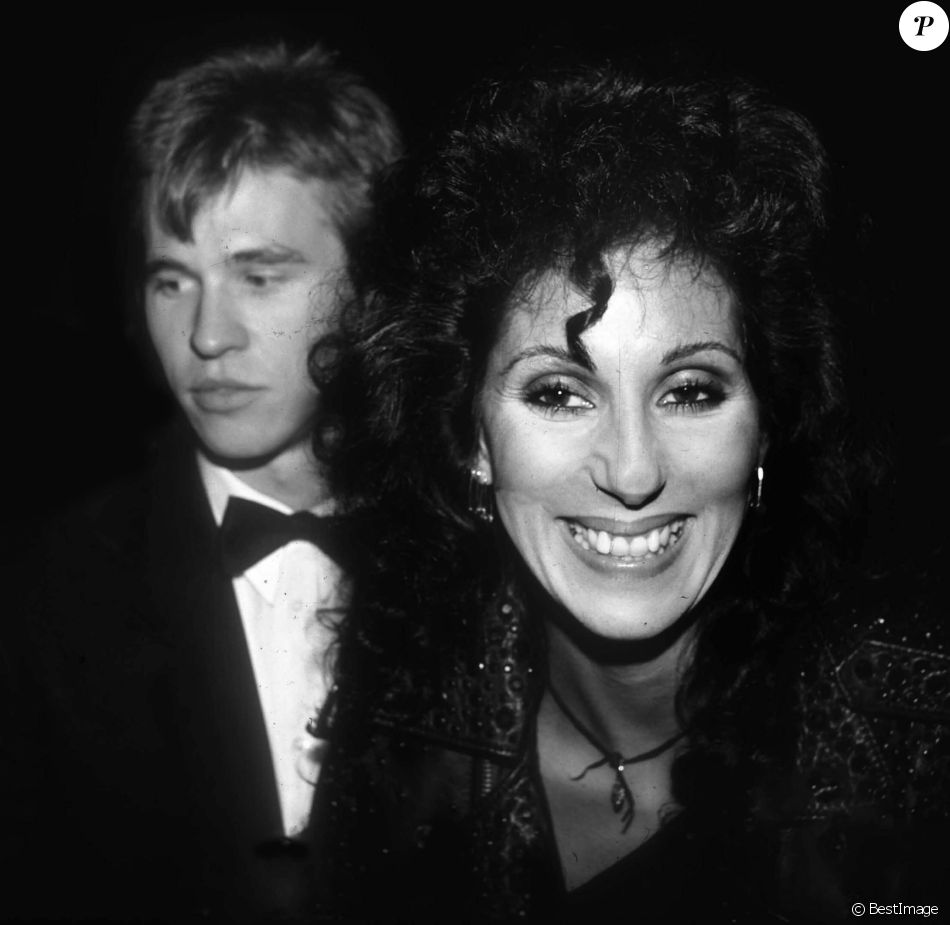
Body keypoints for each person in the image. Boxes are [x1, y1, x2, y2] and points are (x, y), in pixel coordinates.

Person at [309, 60, 950, 921]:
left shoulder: (912, 722)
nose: (634, 469)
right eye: (558, 394)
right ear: (469, 438)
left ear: (765, 425)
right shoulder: (408, 711)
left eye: (690, 390)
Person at [2, 42, 400, 922]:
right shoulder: (43, 592)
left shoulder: (474, 557)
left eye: (260, 276)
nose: (207, 334)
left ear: (371, 290)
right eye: (172, 279)